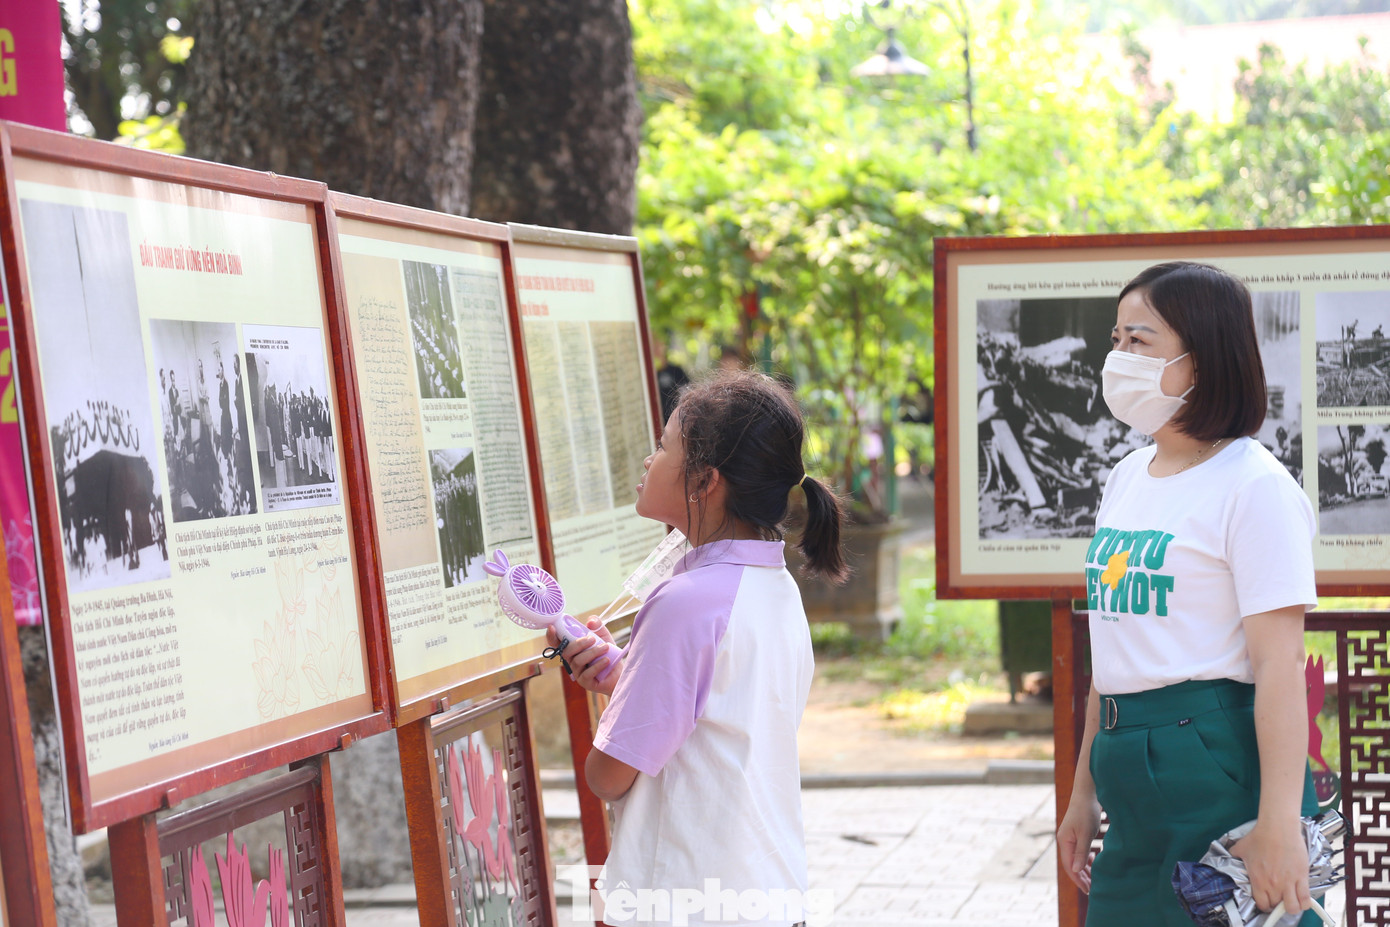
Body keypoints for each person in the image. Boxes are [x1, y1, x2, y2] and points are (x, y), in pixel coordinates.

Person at [1056, 262, 1321, 926]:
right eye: (1116, 339)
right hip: (1126, 761)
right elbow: (1112, 645)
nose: (1119, 357)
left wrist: (1280, 822)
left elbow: (1281, 665)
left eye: (1139, 341)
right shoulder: (1124, 477)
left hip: (1211, 759)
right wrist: (1084, 789)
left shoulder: (1254, 486)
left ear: (1200, 360)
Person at [555, 370, 847, 927]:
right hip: (766, 890)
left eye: (664, 448)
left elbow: (608, 775)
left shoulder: (685, 602)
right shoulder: (775, 588)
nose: (649, 461)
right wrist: (626, 675)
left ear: (705, 480)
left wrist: (621, 700)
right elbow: (721, 711)